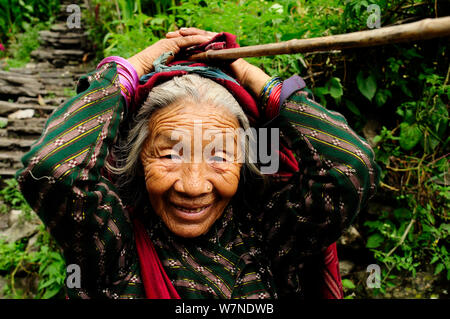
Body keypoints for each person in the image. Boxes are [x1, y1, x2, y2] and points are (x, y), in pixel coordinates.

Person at [16, 28, 380, 299]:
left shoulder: (271, 234)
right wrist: (133, 68)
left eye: (220, 155)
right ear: (140, 156)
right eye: (171, 153)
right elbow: (53, 170)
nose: (193, 186)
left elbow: (350, 169)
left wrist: (250, 74)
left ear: (244, 160)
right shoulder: (112, 243)